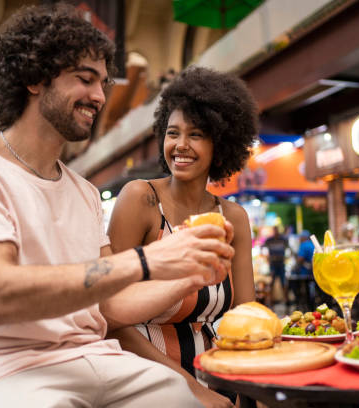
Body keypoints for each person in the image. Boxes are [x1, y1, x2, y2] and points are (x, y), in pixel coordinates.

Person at [0, 5, 235, 408]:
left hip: (92, 359)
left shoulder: (83, 191)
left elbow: (109, 307)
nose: (100, 96)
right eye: (85, 79)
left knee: (183, 400)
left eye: (103, 82)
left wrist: (192, 273)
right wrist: (148, 259)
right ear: (34, 79)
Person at [105, 66, 257, 408]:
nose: (181, 145)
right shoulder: (140, 199)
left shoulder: (233, 218)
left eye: (197, 134)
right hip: (144, 376)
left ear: (221, 144)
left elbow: (246, 315)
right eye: (173, 133)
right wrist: (193, 390)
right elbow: (111, 320)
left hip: (218, 373)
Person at [288, 230, 315, 311]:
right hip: (313, 273)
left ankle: (300, 303)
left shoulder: (303, 245)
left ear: (303, 238)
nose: (299, 239)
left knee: (293, 283)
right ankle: (311, 304)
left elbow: (300, 259)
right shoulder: (312, 244)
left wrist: (295, 258)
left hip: (305, 273)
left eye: (300, 237)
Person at [263, 226, 290, 306]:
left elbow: (287, 249)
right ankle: (271, 301)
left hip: (281, 264)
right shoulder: (269, 240)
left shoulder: (283, 239)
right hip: (273, 264)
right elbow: (264, 249)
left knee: (283, 282)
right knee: (272, 282)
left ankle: (286, 300)